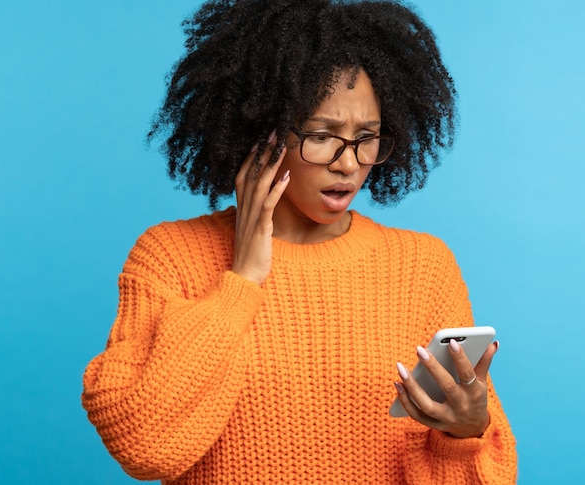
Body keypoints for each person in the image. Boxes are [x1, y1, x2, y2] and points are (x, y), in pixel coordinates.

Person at [81, 0, 517, 483]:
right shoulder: (171, 256)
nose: (349, 164)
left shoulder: (423, 267)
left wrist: (467, 432)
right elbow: (143, 446)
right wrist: (241, 280)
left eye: (367, 136)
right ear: (262, 133)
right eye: (322, 135)